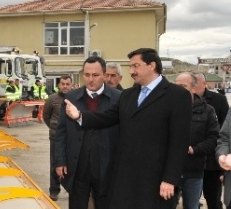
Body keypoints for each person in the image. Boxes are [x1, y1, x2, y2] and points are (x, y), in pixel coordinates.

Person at [63, 48, 192, 209]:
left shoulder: (177, 96)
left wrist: (170, 179)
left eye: (135, 66)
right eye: (130, 67)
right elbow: (108, 117)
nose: (131, 71)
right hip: (126, 178)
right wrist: (79, 116)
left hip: (156, 180)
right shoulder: (128, 95)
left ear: (151, 65)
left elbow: (179, 142)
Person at [54, 57, 121, 209]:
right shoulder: (71, 98)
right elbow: (61, 132)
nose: (90, 79)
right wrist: (60, 160)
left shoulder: (118, 98)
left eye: (95, 75)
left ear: (104, 75)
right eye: (87, 74)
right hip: (78, 165)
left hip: (106, 166)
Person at [172, 72, 219, 209]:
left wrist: (193, 149)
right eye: (176, 85)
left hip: (194, 170)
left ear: (193, 88)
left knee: (192, 206)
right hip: (170, 171)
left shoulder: (207, 111)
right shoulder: (167, 108)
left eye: (183, 86)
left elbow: (213, 139)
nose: (179, 89)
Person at [194, 72, 229, 209]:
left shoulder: (218, 100)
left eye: (195, 82)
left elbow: (225, 130)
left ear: (204, 84)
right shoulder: (184, 100)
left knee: (213, 197)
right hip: (192, 159)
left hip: (212, 161)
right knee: (192, 198)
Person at [43, 74, 73, 201]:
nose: (65, 86)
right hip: (55, 137)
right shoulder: (52, 99)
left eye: (67, 84)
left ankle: (71, 189)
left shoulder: (75, 98)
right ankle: (54, 190)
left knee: (72, 163)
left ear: (71, 85)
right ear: (58, 85)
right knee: (55, 163)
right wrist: (54, 128)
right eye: (63, 84)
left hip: (72, 137)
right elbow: (46, 116)